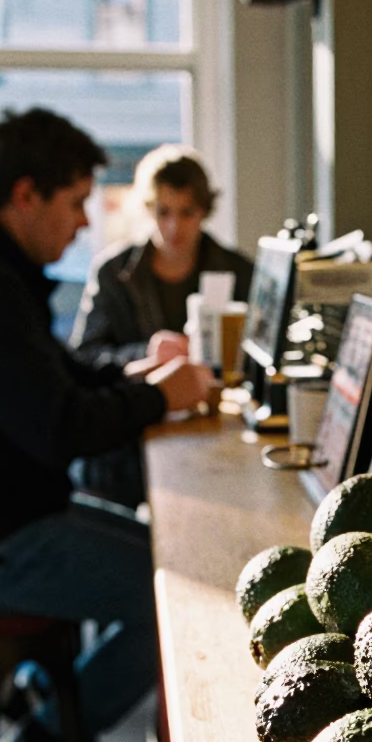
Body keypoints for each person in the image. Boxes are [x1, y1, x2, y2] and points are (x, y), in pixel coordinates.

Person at [0, 107, 214, 742]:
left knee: (167, 553)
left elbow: (57, 377)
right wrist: (156, 400)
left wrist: (136, 372)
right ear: (26, 195)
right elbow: (57, 425)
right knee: (176, 596)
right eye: (74, 203)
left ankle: (45, 686)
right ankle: (47, 739)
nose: (85, 225)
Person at [69, 145, 252, 506]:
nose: (173, 227)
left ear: (204, 211)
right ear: (147, 209)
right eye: (163, 212)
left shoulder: (240, 271)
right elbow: (85, 358)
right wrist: (146, 352)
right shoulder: (114, 273)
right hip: (131, 444)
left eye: (187, 213)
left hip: (217, 434)